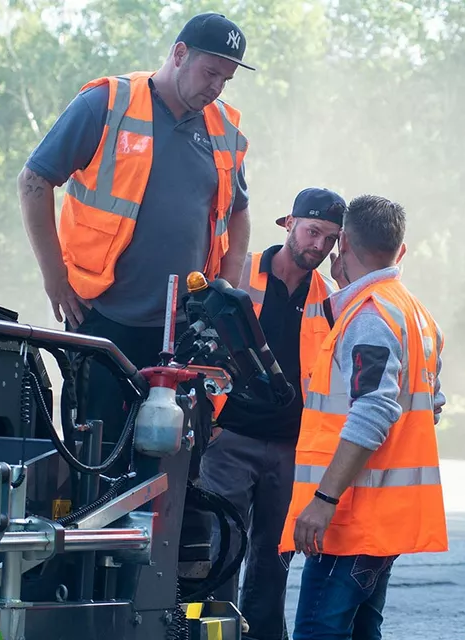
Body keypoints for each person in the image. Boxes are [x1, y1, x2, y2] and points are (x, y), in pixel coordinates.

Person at [16, 12, 254, 446]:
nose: (217, 87)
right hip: (103, 316)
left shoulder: (224, 129)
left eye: (226, 79)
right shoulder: (107, 103)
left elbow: (239, 211)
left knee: (173, 459)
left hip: (183, 331)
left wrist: (225, 286)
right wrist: (54, 277)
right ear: (179, 54)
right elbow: (34, 181)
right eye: (211, 72)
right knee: (94, 451)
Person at [279, 194, 446, 640]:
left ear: (343, 247)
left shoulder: (371, 315)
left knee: (319, 630)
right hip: (381, 519)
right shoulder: (415, 314)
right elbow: (431, 402)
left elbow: (374, 409)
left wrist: (324, 500)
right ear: (401, 251)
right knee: (361, 631)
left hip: (351, 518)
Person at [198, 187, 346, 640]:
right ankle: (208, 635)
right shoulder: (239, 272)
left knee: (273, 558)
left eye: (330, 238)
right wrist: (212, 425)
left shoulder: (331, 297)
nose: (318, 246)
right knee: (219, 552)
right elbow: (200, 346)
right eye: (312, 231)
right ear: (288, 223)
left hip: (291, 449)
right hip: (231, 440)